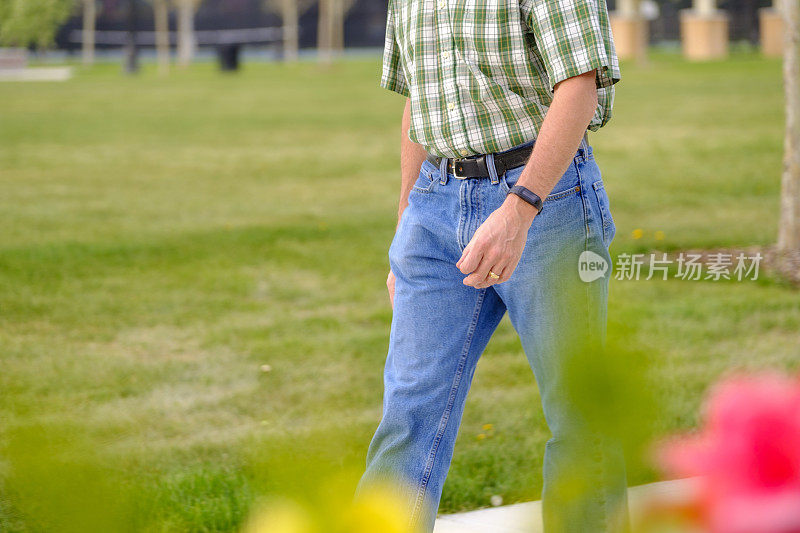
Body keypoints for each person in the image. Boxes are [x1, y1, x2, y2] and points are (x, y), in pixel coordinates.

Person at [356, 1, 627, 531]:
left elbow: (580, 84)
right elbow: (421, 99)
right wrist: (405, 222)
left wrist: (519, 208)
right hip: (433, 202)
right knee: (408, 412)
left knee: (578, 413)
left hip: (545, 199)